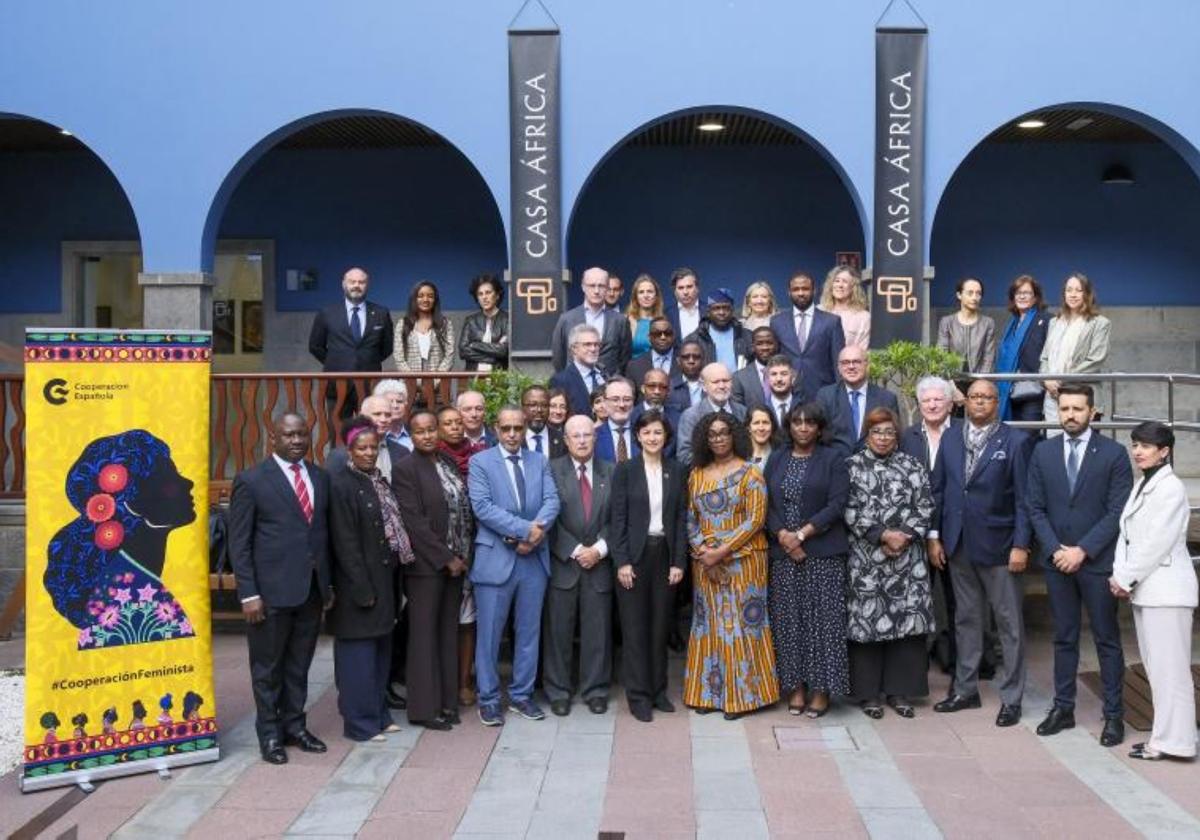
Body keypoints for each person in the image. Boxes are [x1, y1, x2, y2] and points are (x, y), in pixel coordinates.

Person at [1026, 384, 1132, 747]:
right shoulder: (1043, 452)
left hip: (1096, 562)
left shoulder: (1114, 454)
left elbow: (1117, 511)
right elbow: (1034, 506)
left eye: (1078, 409)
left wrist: (1082, 550)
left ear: (1093, 411)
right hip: (1057, 562)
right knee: (1064, 637)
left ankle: (1114, 716)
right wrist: (1056, 548)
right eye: (1065, 408)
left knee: (1107, 639)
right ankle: (1063, 707)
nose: (1070, 415)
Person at [228, 413, 333, 764]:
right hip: (268, 595)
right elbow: (239, 544)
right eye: (289, 435)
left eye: (303, 434)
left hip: (310, 591)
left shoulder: (319, 476)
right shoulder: (252, 480)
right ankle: (270, 735)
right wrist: (248, 593)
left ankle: (295, 726)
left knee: (298, 665)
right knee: (267, 668)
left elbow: (321, 536)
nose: (297, 441)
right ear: (273, 438)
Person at [929, 380, 1032, 727]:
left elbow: (1024, 500)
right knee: (966, 620)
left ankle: (1012, 698)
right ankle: (965, 690)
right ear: (965, 402)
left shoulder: (1016, 441)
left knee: (1009, 624)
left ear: (997, 401)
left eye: (987, 398)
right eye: (974, 397)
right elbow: (939, 491)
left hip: (1001, 548)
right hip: (957, 544)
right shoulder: (950, 437)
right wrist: (934, 537)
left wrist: (1021, 544)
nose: (980, 403)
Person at [44, 430, 198, 651]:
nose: (188, 483)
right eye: (169, 478)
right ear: (130, 501)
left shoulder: (132, 581)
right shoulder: (128, 598)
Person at [467, 406, 561, 726]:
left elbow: (552, 501)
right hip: (495, 560)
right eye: (505, 428)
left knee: (528, 634)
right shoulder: (481, 462)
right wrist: (525, 530)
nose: (511, 434)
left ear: (524, 430)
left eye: (517, 428)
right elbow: (482, 507)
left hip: (533, 561)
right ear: (495, 428)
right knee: (489, 636)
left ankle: (522, 695)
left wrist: (535, 534)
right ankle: (489, 699)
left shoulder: (539, 460)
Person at [1110, 422, 1198, 761]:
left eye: (1146, 446)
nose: (1138, 451)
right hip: (1150, 589)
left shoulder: (1170, 488)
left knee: (1171, 671)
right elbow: (1127, 536)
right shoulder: (1144, 483)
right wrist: (1121, 574)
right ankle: (1164, 739)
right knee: (1158, 669)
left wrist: (1124, 577)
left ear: (1165, 451)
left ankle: (1176, 742)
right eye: (1135, 445)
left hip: (1167, 591)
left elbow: (1155, 543)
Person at [684, 413, 779, 718]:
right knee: (709, 626)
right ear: (704, 439)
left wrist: (721, 551)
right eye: (712, 434)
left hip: (745, 561)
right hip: (705, 562)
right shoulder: (696, 474)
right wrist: (703, 551)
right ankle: (710, 695)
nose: (719, 439)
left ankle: (744, 697)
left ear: (734, 435)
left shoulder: (751, 474)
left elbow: (756, 520)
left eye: (724, 433)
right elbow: (689, 518)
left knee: (741, 627)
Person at [326, 415, 413, 742]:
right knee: (358, 659)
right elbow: (345, 542)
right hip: (358, 588)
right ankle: (359, 724)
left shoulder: (378, 480)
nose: (368, 453)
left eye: (373, 447)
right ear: (349, 450)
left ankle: (378, 714)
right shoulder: (342, 484)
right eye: (361, 448)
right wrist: (362, 588)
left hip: (385, 579)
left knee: (380, 653)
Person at [844, 409, 935, 719]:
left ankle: (900, 692)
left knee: (905, 628)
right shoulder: (852, 467)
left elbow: (925, 505)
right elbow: (848, 509)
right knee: (868, 626)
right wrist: (882, 535)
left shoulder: (912, 465)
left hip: (907, 560)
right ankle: (868, 694)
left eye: (888, 433)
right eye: (877, 432)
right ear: (867, 435)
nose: (883, 438)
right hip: (867, 559)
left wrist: (903, 536)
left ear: (897, 436)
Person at [764, 402, 850, 718]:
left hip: (822, 553)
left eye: (809, 422)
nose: (803, 427)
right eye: (797, 422)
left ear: (819, 427)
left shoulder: (833, 458)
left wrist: (801, 535)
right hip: (784, 555)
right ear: (789, 426)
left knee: (823, 624)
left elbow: (838, 502)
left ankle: (821, 690)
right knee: (789, 623)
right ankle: (796, 688)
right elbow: (767, 502)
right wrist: (784, 537)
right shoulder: (778, 457)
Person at [392, 410, 472, 730]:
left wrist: (462, 556)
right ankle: (424, 709)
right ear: (410, 435)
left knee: (447, 634)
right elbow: (414, 522)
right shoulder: (405, 469)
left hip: (457, 564)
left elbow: (461, 510)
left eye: (430, 430)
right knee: (424, 638)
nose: (426, 436)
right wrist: (445, 557)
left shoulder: (447, 462)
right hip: (427, 568)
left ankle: (447, 702)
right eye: (419, 431)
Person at [611, 411, 687, 722]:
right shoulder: (625, 471)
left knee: (659, 627)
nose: (653, 438)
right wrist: (622, 561)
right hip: (635, 557)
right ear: (638, 436)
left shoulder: (677, 470)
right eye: (647, 433)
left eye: (658, 432)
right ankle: (639, 695)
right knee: (635, 628)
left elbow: (681, 519)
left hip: (664, 556)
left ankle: (658, 691)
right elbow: (617, 519)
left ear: (665, 437)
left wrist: (679, 561)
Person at [545, 415, 615, 715]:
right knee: (558, 631)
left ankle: (595, 689)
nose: (583, 440)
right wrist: (575, 550)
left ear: (595, 438)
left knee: (597, 631)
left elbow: (619, 517)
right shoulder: (549, 470)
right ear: (566, 439)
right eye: (577, 436)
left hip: (599, 564)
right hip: (563, 563)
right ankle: (558, 691)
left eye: (588, 435)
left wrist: (598, 550)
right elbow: (547, 518)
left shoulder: (612, 471)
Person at [899, 376, 961, 674]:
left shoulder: (962, 434)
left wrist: (938, 534)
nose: (933, 405)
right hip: (914, 534)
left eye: (939, 400)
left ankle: (957, 662)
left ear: (950, 404)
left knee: (956, 601)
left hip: (956, 531)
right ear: (919, 404)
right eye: (927, 400)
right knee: (915, 600)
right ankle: (915, 664)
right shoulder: (907, 437)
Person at [435, 404, 484, 706]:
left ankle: (465, 679)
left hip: (473, 549)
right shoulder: (431, 459)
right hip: (439, 555)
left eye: (458, 423)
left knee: (468, 619)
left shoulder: (478, 455)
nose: (455, 427)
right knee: (441, 620)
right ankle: (443, 679)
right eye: (448, 423)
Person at [307, 267, 395, 413]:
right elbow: (315, 346)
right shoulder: (327, 312)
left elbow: (387, 346)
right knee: (337, 433)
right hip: (337, 383)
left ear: (367, 285)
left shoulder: (381, 313)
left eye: (361, 282)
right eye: (352, 281)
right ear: (344, 284)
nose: (356, 286)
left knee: (369, 432)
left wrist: (368, 359)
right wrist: (336, 361)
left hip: (370, 384)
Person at [1039, 272, 1111, 429]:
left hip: (1083, 397)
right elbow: (1044, 358)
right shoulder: (1054, 322)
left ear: (1087, 294)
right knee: (1055, 449)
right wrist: (1046, 380)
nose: (1073, 294)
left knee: (1084, 450)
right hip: (1053, 397)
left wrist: (1061, 381)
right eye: (1069, 290)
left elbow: (1095, 360)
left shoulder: (1099, 323)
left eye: (1078, 290)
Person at [816, 345, 901, 457]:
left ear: (867, 365)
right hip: (836, 466)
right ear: (839, 368)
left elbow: (893, 438)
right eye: (845, 362)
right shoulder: (826, 396)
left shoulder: (886, 399)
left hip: (875, 467)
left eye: (856, 362)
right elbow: (819, 436)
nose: (851, 366)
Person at [770, 271, 844, 392]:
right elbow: (773, 360)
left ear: (814, 291)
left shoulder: (832, 321)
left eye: (805, 289)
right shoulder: (777, 322)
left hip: (822, 391)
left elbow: (839, 361)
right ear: (789, 292)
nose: (800, 293)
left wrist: (839, 393)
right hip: (787, 392)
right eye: (796, 289)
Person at [550, 266, 632, 374]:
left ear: (607, 288)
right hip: (575, 385)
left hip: (609, 386)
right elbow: (558, 358)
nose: (596, 291)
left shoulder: (620, 321)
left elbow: (625, 359)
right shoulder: (566, 319)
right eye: (592, 286)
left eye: (601, 286)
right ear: (583, 287)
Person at [995, 275, 1050, 422]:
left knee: (1026, 437)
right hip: (1010, 392)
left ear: (1035, 297)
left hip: (1033, 391)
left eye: (1027, 293)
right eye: (1018, 293)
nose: (1022, 296)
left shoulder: (1045, 320)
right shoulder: (1012, 324)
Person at [937, 277, 996, 404]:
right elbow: (941, 357)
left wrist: (978, 391)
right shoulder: (947, 322)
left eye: (978, 293)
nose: (974, 297)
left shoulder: (988, 323)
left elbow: (988, 359)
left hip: (979, 385)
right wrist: (952, 390)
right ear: (959, 295)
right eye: (970, 293)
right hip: (952, 384)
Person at [675, 362, 747, 465]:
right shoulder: (691, 416)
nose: (722, 386)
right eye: (716, 382)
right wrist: (719, 465)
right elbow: (684, 456)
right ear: (703, 386)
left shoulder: (743, 412)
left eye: (725, 381)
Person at [393, 281, 455, 390]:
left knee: (439, 407)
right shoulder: (403, 324)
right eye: (420, 296)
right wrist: (414, 381)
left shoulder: (445, 324)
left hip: (439, 386)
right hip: (409, 386)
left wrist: (434, 382)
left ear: (435, 299)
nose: (425, 300)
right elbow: (399, 357)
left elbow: (449, 355)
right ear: (414, 299)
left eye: (430, 296)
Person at [685, 288, 752, 372]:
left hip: (740, 384)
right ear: (708, 312)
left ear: (732, 310)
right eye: (716, 308)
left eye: (726, 308)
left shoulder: (747, 336)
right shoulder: (694, 339)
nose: (721, 312)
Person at [549, 324, 606, 417]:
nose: (593, 349)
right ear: (574, 349)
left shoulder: (605, 376)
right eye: (587, 344)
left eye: (596, 344)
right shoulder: (560, 380)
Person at [458, 273, 509, 372]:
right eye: (480, 294)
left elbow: (503, 351)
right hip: (473, 378)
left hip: (498, 377)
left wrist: (474, 345)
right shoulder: (471, 320)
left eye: (488, 292)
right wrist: (492, 358)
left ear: (497, 295)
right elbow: (463, 351)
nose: (484, 297)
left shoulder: (507, 319)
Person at [630, 369, 681, 457]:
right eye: (651, 386)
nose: (657, 391)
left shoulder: (678, 418)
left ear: (668, 391)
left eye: (662, 387)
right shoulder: (631, 416)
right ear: (643, 388)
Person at [819, 264, 870, 351]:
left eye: (845, 281)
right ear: (831, 285)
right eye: (837, 281)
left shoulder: (864, 317)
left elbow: (862, 352)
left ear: (853, 287)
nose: (840, 285)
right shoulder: (818, 311)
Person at [732, 328, 783, 412]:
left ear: (777, 345)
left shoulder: (791, 375)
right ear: (752, 347)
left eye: (769, 343)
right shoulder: (739, 378)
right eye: (759, 344)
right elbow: (738, 412)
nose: (765, 347)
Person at [625, 316, 680, 389]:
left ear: (673, 336)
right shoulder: (634, 366)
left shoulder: (684, 361)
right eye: (657, 334)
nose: (663, 337)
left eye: (667, 333)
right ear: (649, 338)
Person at [594, 377, 639, 463]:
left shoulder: (644, 434)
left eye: (627, 399)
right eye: (615, 399)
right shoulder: (593, 437)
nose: (622, 405)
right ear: (604, 403)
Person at [625, 273, 665, 358]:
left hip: (658, 370)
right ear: (635, 297)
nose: (646, 295)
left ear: (656, 296)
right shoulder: (626, 321)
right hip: (633, 369)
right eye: (641, 292)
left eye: (650, 291)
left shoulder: (664, 321)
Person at [522, 384, 565, 458]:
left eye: (544, 405)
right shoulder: (514, 438)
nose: (539, 410)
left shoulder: (562, 440)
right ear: (522, 408)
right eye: (533, 405)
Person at [665, 267, 703, 343]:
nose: (685, 292)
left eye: (689, 287)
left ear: (697, 288)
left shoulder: (709, 311)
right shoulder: (666, 315)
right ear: (675, 291)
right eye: (680, 288)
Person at [373, 379, 413, 452]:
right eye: (390, 402)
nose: (395, 406)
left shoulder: (414, 432)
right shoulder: (373, 435)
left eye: (399, 401)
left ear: (405, 404)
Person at [667, 339, 706, 413]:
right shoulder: (669, 388)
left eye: (696, 357)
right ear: (678, 361)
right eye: (686, 357)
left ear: (703, 360)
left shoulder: (712, 385)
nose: (691, 361)